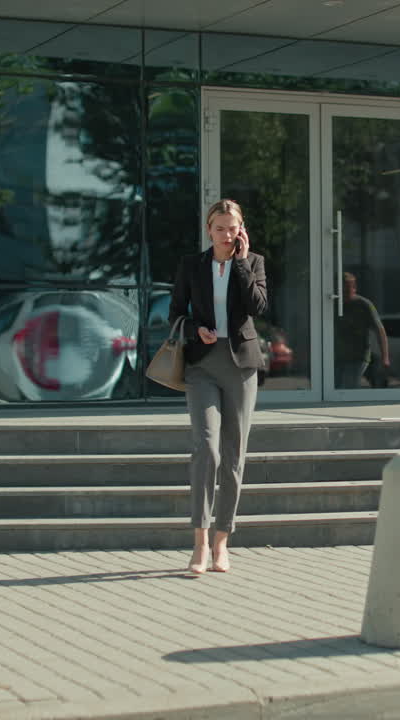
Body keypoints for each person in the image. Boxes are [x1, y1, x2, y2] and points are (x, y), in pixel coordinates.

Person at [169, 199, 268, 573]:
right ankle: (198, 542)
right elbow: (175, 313)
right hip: (202, 366)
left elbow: (258, 307)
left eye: (233, 228)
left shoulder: (253, 262)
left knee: (233, 456)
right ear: (209, 230)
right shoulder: (191, 265)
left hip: (241, 367)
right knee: (206, 448)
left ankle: (222, 542)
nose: (227, 235)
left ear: (241, 229)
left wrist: (241, 262)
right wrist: (197, 330)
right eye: (221, 228)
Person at [335, 271, 389, 388]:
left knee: (347, 386)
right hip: (337, 356)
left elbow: (380, 331)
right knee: (334, 387)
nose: (343, 294)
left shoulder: (364, 305)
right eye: (341, 291)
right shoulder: (333, 304)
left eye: (346, 291)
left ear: (354, 288)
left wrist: (385, 357)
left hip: (358, 356)